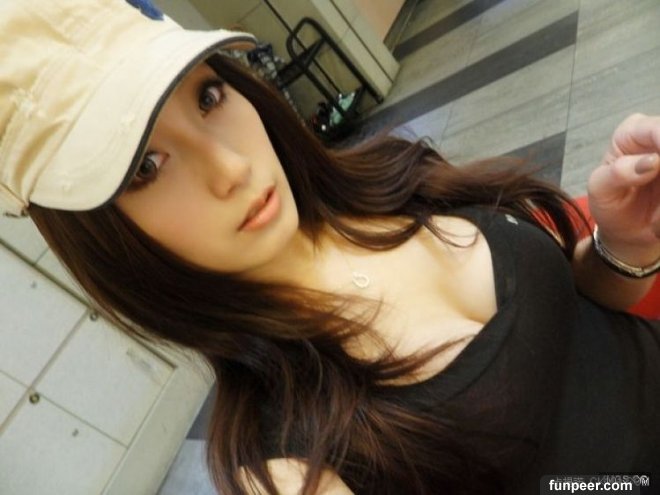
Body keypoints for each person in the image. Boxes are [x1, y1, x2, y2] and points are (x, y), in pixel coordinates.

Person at [2, 0, 659, 494]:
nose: (230, 166)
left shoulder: (391, 175)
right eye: (146, 167)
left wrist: (624, 244)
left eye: (208, 96)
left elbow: (584, 316)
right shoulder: (288, 460)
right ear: (105, 241)